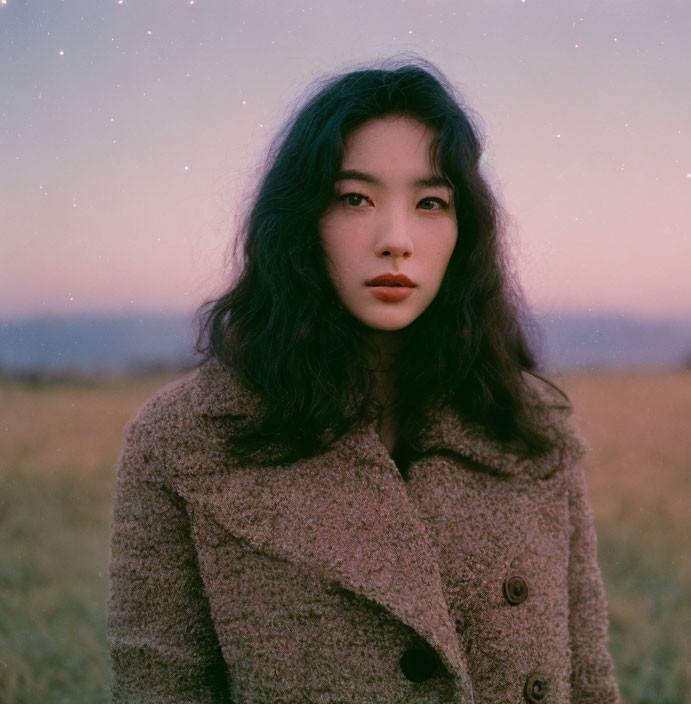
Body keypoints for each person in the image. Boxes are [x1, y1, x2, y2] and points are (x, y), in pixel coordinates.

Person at [107, 58, 620, 704]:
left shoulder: (530, 423)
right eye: (355, 199)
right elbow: (160, 688)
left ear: (464, 232)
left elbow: (590, 679)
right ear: (302, 221)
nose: (396, 240)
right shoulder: (183, 440)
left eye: (431, 202)